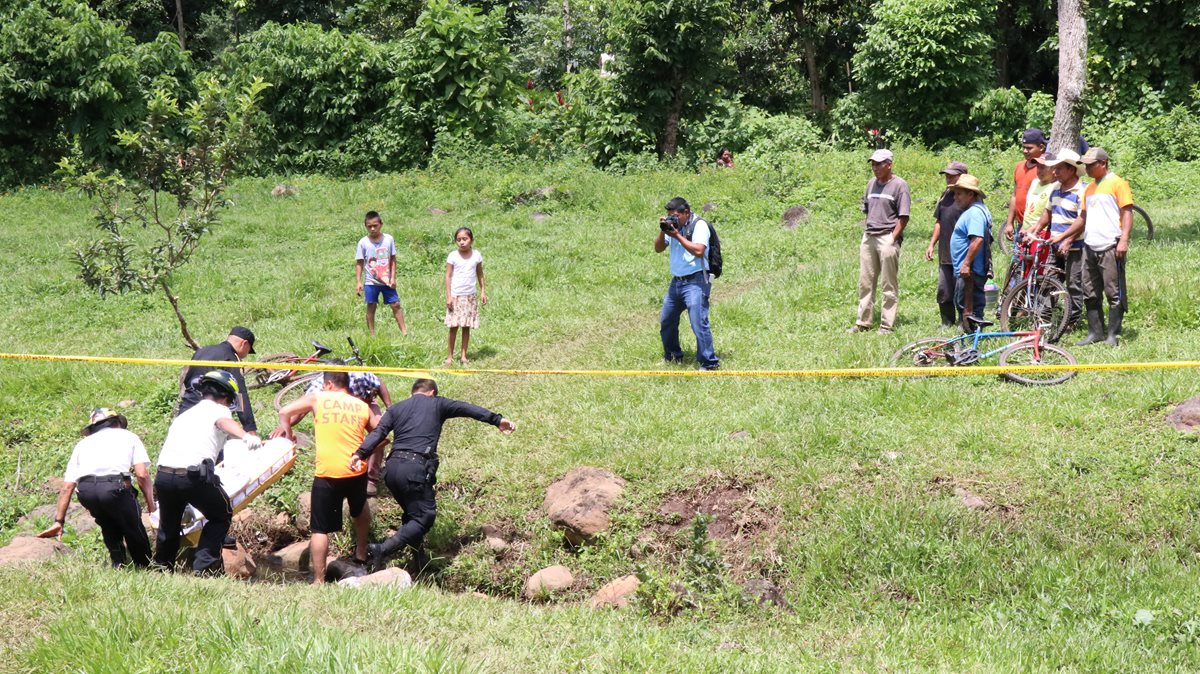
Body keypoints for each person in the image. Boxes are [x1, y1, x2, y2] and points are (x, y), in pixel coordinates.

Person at [355, 379, 516, 572]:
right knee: (425, 516)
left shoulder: (397, 408)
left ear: (413, 393)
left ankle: (419, 562)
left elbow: (379, 432)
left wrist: (360, 453)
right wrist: (497, 419)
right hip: (414, 468)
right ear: (432, 392)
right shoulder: (437, 403)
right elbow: (466, 408)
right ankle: (382, 549)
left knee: (412, 515)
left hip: (391, 469)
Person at [272, 368, 377, 584]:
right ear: (345, 384)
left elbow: (284, 412)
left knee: (320, 529)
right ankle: (360, 554)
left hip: (327, 472)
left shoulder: (317, 398)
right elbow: (380, 433)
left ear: (328, 384)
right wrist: (365, 451)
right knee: (359, 509)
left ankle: (319, 581)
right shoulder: (361, 405)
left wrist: (289, 435)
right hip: (356, 469)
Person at [155, 371, 262, 575]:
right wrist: (245, 436)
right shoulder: (218, 410)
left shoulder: (186, 414)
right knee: (221, 515)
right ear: (226, 397)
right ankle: (203, 569)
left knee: (169, 525)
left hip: (164, 477)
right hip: (192, 477)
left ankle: (161, 568)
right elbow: (223, 423)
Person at [37, 409, 156, 568]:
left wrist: (59, 521)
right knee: (132, 525)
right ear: (118, 423)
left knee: (108, 524)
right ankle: (145, 567)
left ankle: (118, 564)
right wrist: (151, 505)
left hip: (86, 491)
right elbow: (142, 474)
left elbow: (67, 487)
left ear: (93, 428)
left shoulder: (82, 444)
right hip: (115, 487)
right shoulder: (129, 436)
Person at [1063, 148, 1134, 346]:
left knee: (1114, 291)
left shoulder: (1118, 183)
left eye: (1091, 165)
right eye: (1085, 165)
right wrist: (1068, 237)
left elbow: (1127, 213)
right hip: (1089, 246)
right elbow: (1083, 218)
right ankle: (1096, 332)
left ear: (1103, 163)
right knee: (1090, 291)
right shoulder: (1089, 188)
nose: (1086, 168)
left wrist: (1124, 239)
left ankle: (1113, 334)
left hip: (1110, 245)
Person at [302, 368, 393, 496]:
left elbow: (379, 383)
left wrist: (390, 408)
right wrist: (285, 425)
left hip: (365, 402)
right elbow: (299, 411)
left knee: (379, 433)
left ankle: (371, 478)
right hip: (340, 411)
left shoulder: (359, 376)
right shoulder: (317, 388)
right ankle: (343, 466)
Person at [655, 197, 719, 370]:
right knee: (667, 320)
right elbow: (658, 248)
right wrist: (663, 230)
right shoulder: (672, 227)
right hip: (677, 282)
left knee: (698, 322)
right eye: (669, 216)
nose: (673, 219)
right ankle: (673, 356)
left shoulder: (699, 225)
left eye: (675, 216)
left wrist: (676, 235)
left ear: (686, 213)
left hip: (696, 281)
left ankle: (709, 364)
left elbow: (699, 251)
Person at [850, 149, 910, 334]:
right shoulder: (871, 184)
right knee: (865, 282)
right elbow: (867, 210)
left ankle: (886, 325)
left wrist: (892, 239)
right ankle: (863, 322)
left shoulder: (900, 185)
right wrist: (867, 232)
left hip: (887, 237)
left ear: (889, 164)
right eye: (873, 164)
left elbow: (903, 216)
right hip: (869, 237)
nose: (874, 168)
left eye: (878, 164)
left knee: (888, 284)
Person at [1035, 149, 1088, 325]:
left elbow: (1082, 221)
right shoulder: (1056, 188)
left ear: (1071, 170)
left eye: (1059, 169)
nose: (1055, 172)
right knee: (1048, 281)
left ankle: (1072, 322)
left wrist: (1068, 239)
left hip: (1075, 246)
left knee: (1074, 284)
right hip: (1055, 243)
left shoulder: (1082, 191)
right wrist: (1034, 230)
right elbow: (1047, 213)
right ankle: (1044, 319)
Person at [176, 326, 258, 435]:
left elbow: (187, 380)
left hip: (186, 411)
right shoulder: (231, 359)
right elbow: (240, 394)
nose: (246, 355)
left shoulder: (202, 351)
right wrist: (249, 428)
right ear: (244, 344)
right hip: (208, 418)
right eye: (248, 351)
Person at [926, 161, 970, 327]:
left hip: (963, 252)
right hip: (945, 252)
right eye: (947, 175)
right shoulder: (945, 195)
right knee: (944, 290)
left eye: (952, 175)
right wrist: (931, 244)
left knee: (962, 291)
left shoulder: (969, 198)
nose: (948, 178)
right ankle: (947, 322)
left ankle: (963, 322)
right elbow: (939, 221)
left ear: (962, 176)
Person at [947, 175, 993, 325]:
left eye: (959, 194)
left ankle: (971, 344)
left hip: (971, 272)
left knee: (969, 310)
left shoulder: (974, 213)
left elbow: (977, 239)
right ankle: (967, 343)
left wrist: (966, 264)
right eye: (955, 193)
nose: (955, 198)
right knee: (965, 307)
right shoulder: (976, 211)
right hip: (969, 272)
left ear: (971, 194)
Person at [356, 211, 408, 337]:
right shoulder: (363, 242)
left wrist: (393, 278)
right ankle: (372, 335)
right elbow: (359, 262)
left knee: (396, 304)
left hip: (387, 281)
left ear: (381, 224)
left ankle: (405, 333)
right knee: (371, 306)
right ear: (365, 226)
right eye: (369, 226)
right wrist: (358, 281)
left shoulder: (388, 239)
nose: (373, 229)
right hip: (370, 281)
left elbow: (393, 259)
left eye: (375, 225)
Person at [445, 227, 486, 366]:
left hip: (470, 296)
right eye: (458, 240)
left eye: (465, 239)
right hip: (456, 296)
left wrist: (483, 291)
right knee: (453, 327)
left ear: (471, 240)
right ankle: (449, 357)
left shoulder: (476, 255)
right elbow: (448, 276)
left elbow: (480, 274)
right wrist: (449, 296)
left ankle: (464, 356)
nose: (462, 242)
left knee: (466, 326)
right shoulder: (453, 256)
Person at [1003, 128, 1048, 241]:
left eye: (1029, 148)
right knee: (1018, 258)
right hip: (1021, 226)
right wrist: (1009, 223)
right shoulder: (1019, 166)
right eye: (1023, 147)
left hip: (1038, 229)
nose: (1025, 151)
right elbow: (1015, 195)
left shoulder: (1045, 171)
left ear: (1041, 147)